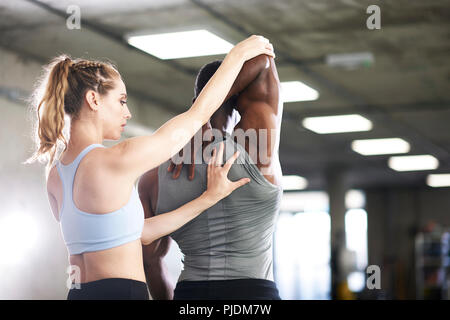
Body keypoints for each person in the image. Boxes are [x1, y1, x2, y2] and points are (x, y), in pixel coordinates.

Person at [26, 35, 275, 300]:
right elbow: (197, 115)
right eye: (121, 100)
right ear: (93, 100)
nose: (128, 112)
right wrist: (237, 55)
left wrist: (208, 199)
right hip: (123, 293)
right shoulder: (118, 158)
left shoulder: (55, 175)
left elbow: (139, 234)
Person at [138, 53, 283, 299]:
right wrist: (205, 111)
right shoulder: (259, 148)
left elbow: (149, 262)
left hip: (192, 295)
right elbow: (263, 61)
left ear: (197, 100)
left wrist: (199, 116)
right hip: (253, 295)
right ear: (237, 101)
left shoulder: (153, 176)